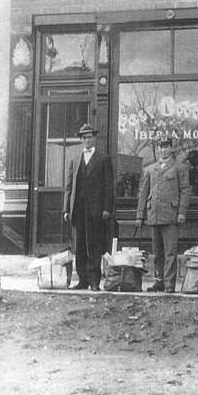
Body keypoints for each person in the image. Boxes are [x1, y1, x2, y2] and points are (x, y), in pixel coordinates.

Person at [63, 123, 114, 292]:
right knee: (80, 246)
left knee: (94, 245)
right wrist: (66, 209)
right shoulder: (75, 158)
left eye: (89, 137)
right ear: (81, 140)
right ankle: (82, 280)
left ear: (94, 138)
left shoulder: (103, 159)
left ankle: (94, 281)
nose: (87, 140)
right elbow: (69, 186)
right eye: (84, 138)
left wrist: (107, 208)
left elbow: (108, 187)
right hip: (77, 209)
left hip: (96, 210)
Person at [136, 136, 190, 293]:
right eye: (161, 147)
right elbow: (143, 192)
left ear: (171, 149)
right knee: (157, 252)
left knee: (170, 252)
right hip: (154, 214)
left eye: (166, 147)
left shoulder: (179, 167)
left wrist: (182, 212)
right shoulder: (150, 169)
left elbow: (185, 190)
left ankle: (169, 284)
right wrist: (140, 215)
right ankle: (158, 281)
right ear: (157, 149)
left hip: (171, 215)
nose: (163, 150)